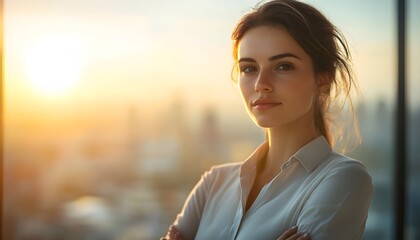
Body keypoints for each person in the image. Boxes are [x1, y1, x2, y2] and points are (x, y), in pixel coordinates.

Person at [162, 0, 374, 239]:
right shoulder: (214, 183)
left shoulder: (344, 179)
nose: (261, 84)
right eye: (248, 69)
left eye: (283, 66)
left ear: (323, 80)